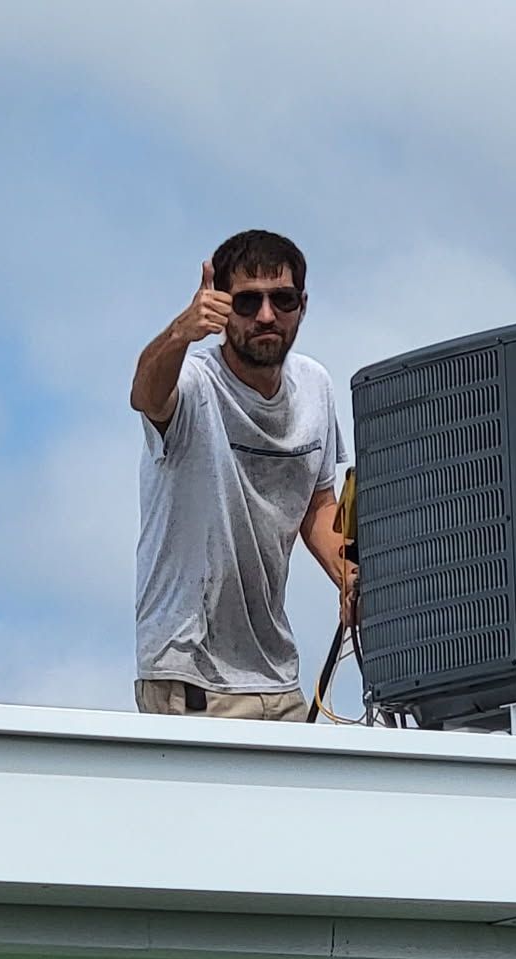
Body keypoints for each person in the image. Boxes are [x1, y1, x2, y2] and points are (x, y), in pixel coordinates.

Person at [129, 229, 352, 721]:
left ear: (303, 305)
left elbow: (317, 503)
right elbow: (146, 396)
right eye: (248, 302)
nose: (266, 316)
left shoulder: (315, 387)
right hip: (191, 671)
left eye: (282, 299)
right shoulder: (193, 382)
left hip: (276, 674)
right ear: (222, 307)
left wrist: (353, 579)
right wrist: (179, 333)